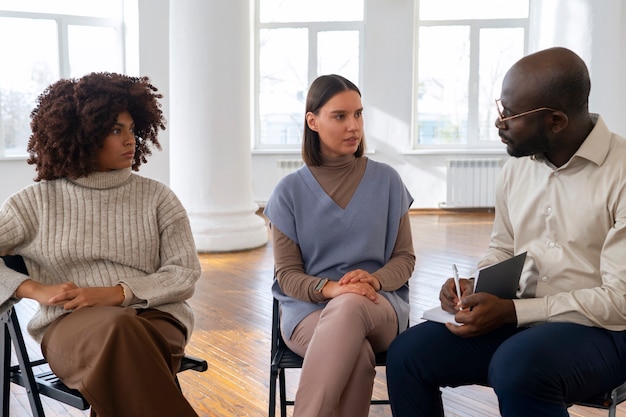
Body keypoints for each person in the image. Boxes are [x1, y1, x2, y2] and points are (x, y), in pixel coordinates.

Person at [386, 46, 626, 417]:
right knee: (407, 354)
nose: (499, 124)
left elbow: (619, 301)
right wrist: (475, 288)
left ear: (556, 121)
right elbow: (503, 248)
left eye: (510, 115)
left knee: (518, 367)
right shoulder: (517, 168)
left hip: (605, 330)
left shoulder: (621, 172)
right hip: (524, 319)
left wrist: (513, 312)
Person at [0, 72, 201, 417]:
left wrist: (116, 294)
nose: (130, 140)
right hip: (72, 327)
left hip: (157, 317)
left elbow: (183, 273)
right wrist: (33, 289)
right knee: (119, 334)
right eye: (114, 130)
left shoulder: (158, 198)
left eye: (132, 129)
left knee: (124, 341)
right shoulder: (34, 203)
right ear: (81, 134)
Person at [264, 74, 415, 417]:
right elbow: (287, 276)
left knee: (350, 307)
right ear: (312, 121)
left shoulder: (387, 181)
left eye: (358, 114)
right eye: (340, 116)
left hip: (380, 305)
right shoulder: (288, 192)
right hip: (308, 311)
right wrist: (332, 289)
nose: (354, 126)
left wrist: (373, 280)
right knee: (357, 356)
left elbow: (404, 258)